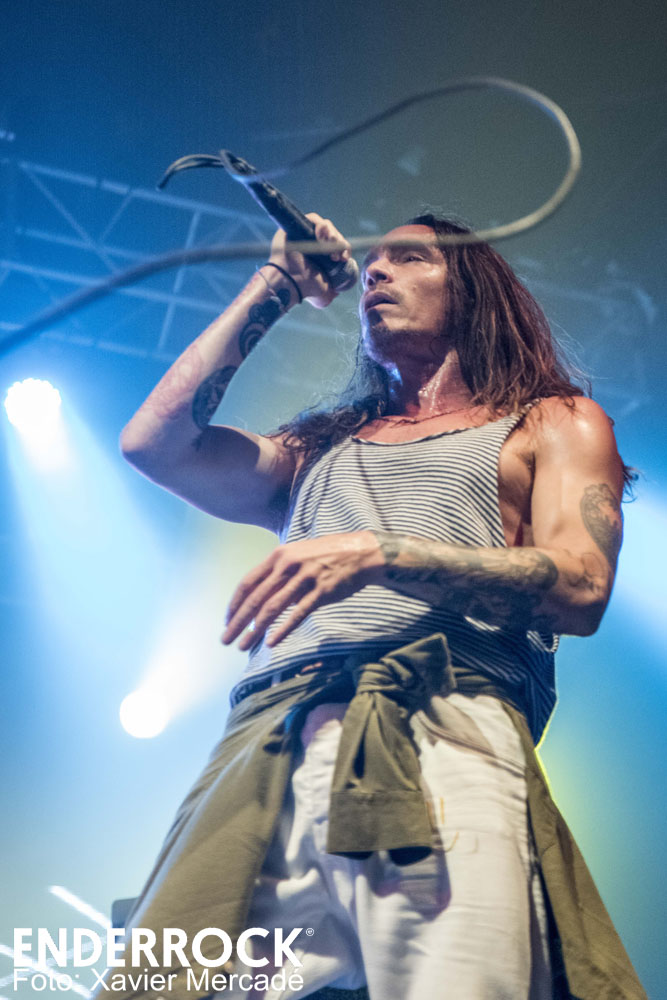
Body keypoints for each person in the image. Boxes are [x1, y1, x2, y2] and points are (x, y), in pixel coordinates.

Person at [115, 214, 646, 1000]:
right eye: (369, 264)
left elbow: (580, 586)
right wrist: (277, 284)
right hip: (273, 741)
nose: (375, 273)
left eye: (409, 257)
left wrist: (381, 553)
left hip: (441, 725)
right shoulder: (318, 446)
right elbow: (154, 445)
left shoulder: (550, 420)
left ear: (472, 289)